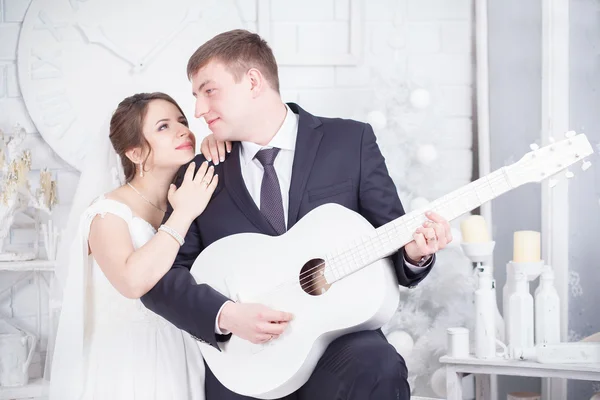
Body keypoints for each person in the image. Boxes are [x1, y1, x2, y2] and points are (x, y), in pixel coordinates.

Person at [140, 29, 453, 400]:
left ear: (253, 82)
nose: (198, 111)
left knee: (379, 365)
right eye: (196, 96)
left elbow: (395, 243)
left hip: (340, 347)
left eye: (209, 91)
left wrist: (416, 254)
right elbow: (160, 281)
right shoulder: (200, 173)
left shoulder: (350, 142)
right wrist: (225, 315)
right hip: (248, 364)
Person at [48, 92, 219, 400]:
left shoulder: (190, 192)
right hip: (129, 367)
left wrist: (218, 145)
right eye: (164, 127)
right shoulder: (107, 213)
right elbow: (132, 282)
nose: (184, 130)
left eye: (182, 121)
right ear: (136, 153)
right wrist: (183, 214)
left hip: (184, 356)